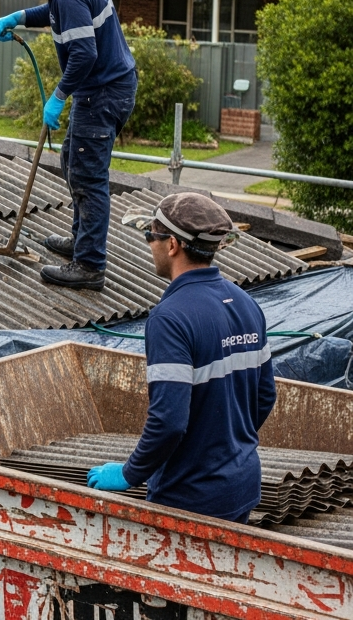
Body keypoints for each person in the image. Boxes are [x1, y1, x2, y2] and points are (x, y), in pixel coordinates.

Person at [86, 193, 276, 524]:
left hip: (189, 499)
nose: (149, 244)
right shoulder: (247, 304)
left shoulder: (170, 318)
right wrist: (226, 449)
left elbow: (169, 422)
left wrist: (130, 473)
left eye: (150, 235)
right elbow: (265, 395)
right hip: (241, 485)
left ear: (172, 245)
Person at [0, 0, 137, 292]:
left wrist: (58, 96)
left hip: (102, 93)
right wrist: (18, 16)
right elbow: (55, 13)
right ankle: (81, 241)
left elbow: (84, 54)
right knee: (73, 160)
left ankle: (89, 266)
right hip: (106, 88)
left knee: (88, 176)